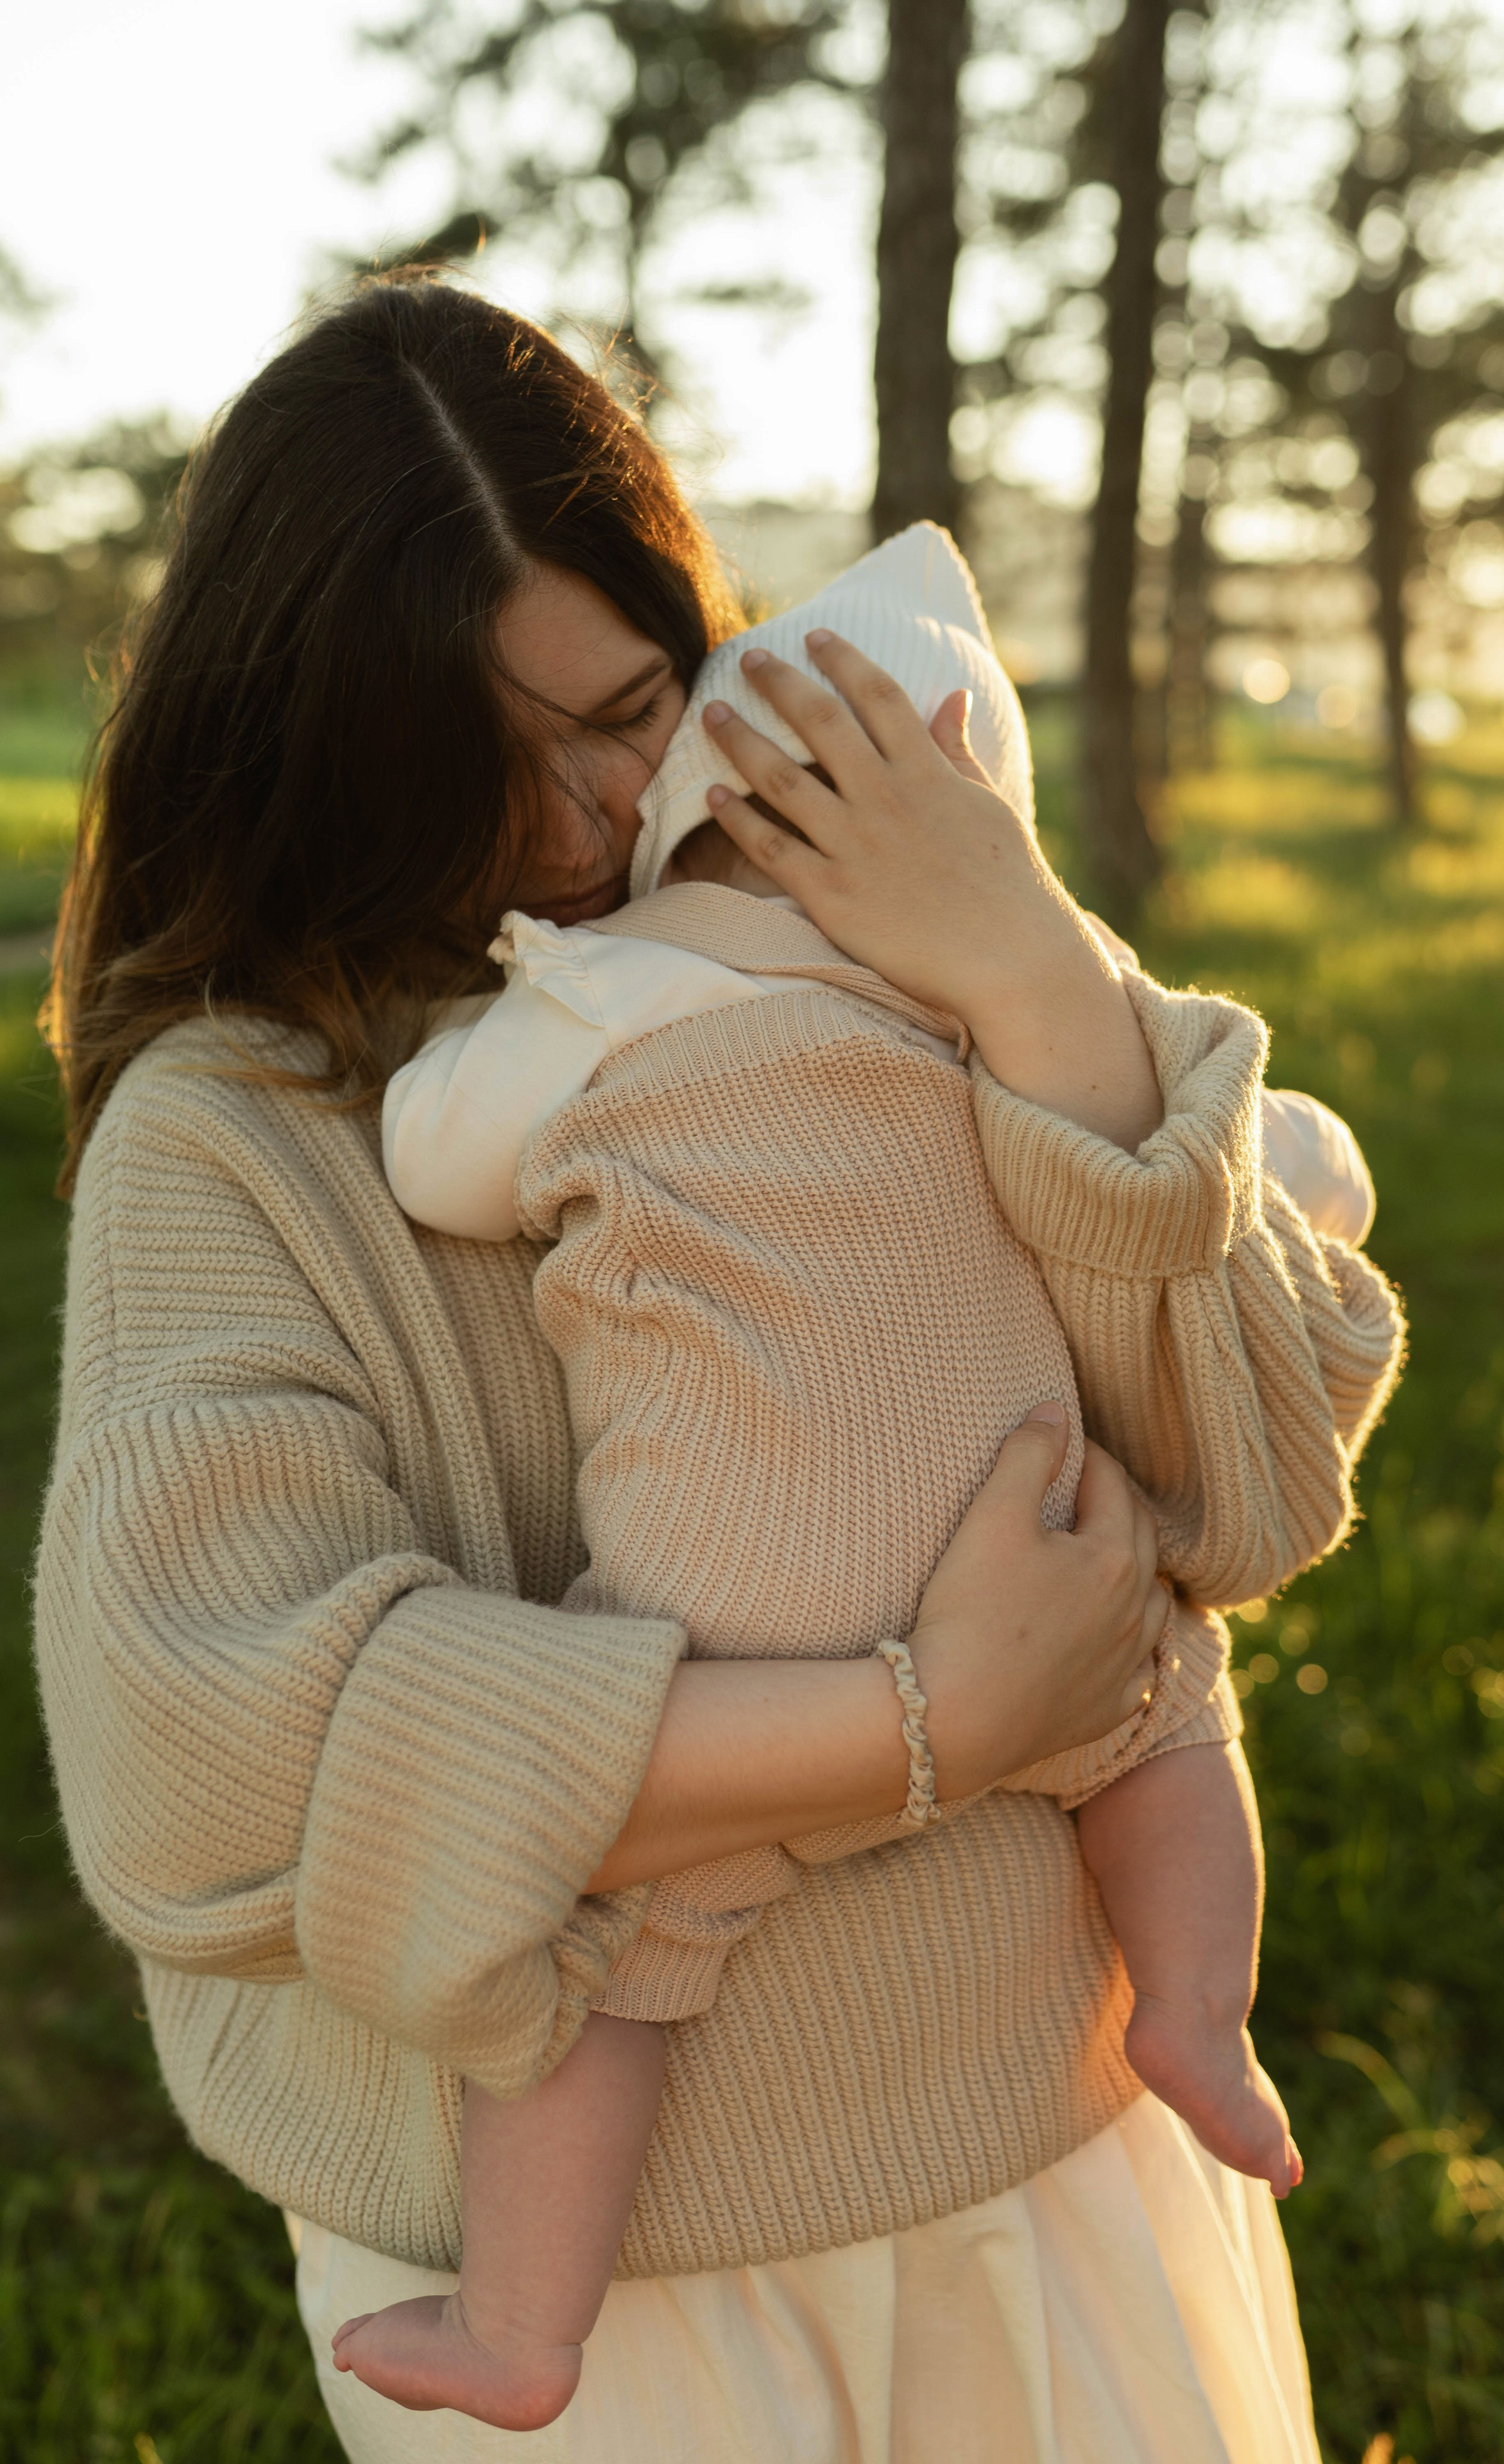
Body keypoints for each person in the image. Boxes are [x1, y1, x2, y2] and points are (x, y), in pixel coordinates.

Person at [33, 273, 1402, 2464]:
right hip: (594, 2293)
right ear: (310, 752)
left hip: (1050, 2143)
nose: (585, 828)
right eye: (474, 767)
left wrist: (1038, 977)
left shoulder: (885, 916)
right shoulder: (240, 1131)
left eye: (629, 707)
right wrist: (931, 1726)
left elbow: (1244, 1482)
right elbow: (218, 1753)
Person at [334, 523, 1380, 2431]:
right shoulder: (983, 1011)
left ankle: (517, 2327)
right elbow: (1255, 1183)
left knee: (610, 1954)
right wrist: (1296, 1160)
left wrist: (491, 1021)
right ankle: (1205, 2022)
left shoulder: (606, 988)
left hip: (734, 1615)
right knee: (1165, 1723)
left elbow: (433, 1158)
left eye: (630, 727)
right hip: (1042, 1529)